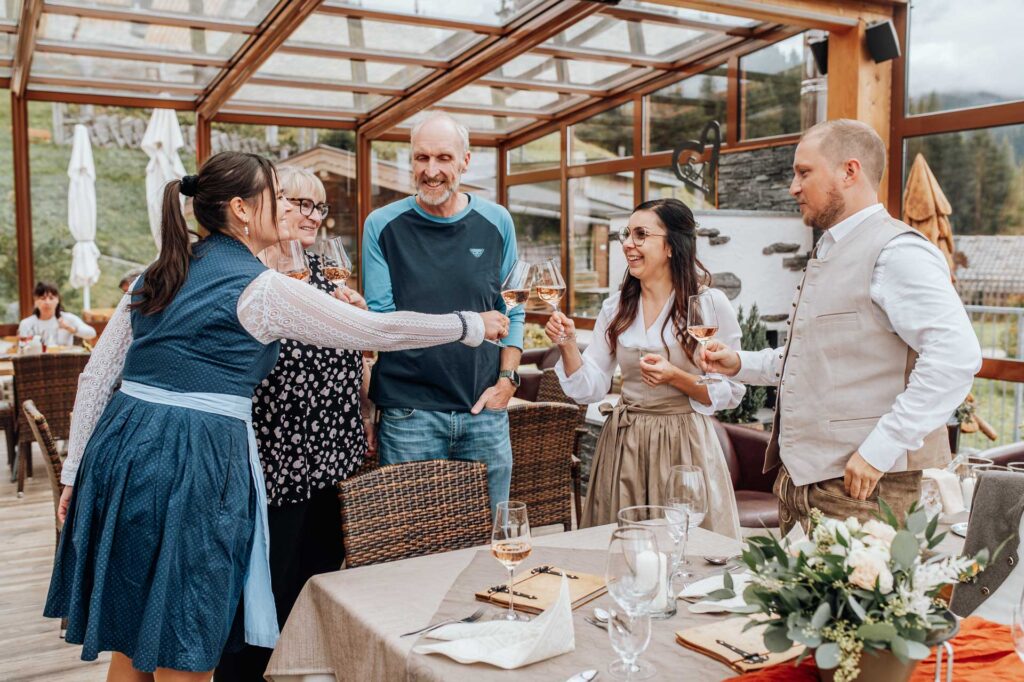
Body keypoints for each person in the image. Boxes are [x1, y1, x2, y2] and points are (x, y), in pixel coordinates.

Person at [44, 151, 508, 681]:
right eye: (276, 195)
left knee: (132, 639)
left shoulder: (159, 272)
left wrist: (74, 472)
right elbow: (377, 333)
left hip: (122, 455)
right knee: (186, 645)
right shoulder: (260, 289)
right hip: (193, 463)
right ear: (242, 210)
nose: (285, 206)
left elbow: (97, 378)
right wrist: (469, 324)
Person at [703, 119, 981, 533]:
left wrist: (878, 451)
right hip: (801, 486)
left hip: (862, 492)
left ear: (849, 172)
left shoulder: (897, 253)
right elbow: (814, 359)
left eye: (804, 173)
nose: (793, 187)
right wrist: (737, 363)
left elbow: (956, 359)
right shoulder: (832, 249)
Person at [214, 166, 371, 681]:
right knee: (261, 601)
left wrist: (365, 340)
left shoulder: (329, 277)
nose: (310, 214)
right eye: (297, 201)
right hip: (272, 468)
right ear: (264, 204)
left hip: (333, 464)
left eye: (319, 206)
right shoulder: (246, 280)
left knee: (318, 587)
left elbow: (356, 377)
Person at [545, 198, 744, 537]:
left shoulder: (709, 304)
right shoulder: (616, 307)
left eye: (641, 235)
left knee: (690, 548)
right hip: (626, 445)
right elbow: (591, 386)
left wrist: (676, 377)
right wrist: (566, 344)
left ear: (671, 246)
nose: (627, 244)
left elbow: (730, 391)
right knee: (626, 549)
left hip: (686, 446)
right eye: (627, 234)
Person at [362, 112, 525, 511]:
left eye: (443, 158)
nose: (431, 170)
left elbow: (513, 308)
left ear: (465, 161)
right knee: (410, 550)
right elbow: (383, 327)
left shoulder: (497, 221)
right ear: (411, 161)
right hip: (408, 415)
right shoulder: (381, 225)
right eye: (421, 158)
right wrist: (467, 326)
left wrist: (507, 380)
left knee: (491, 542)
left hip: (483, 411)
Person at [18, 281, 97, 346]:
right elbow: (22, 347)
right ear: (35, 301)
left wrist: (69, 328)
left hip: (64, 362)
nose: (47, 302)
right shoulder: (26, 323)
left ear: (58, 300)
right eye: (42, 298)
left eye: (51, 298)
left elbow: (91, 333)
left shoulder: (67, 318)